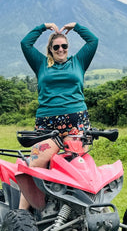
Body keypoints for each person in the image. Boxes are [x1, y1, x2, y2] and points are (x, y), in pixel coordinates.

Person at [18, 21, 98, 210]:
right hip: (47, 125)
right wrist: (43, 27)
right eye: (56, 47)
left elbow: (93, 41)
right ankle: (20, 216)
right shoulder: (41, 64)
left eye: (64, 46)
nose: (61, 49)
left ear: (68, 47)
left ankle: (81, 212)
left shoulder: (78, 62)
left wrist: (77, 27)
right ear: (50, 49)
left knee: (77, 166)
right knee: (36, 164)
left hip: (77, 123)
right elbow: (25, 44)